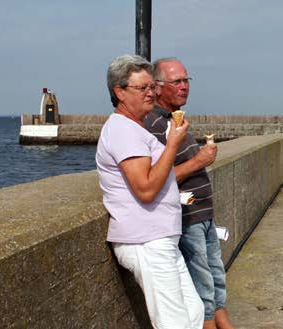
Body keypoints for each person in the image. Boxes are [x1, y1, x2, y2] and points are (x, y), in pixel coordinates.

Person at [96, 54, 204, 329]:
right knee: (175, 324)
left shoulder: (134, 128)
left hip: (159, 238)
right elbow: (145, 189)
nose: (151, 93)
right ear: (119, 92)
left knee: (193, 313)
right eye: (141, 88)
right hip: (146, 241)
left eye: (151, 87)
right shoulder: (122, 130)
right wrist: (171, 144)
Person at [143, 57, 234, 329]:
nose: (184, 87)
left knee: (216, 276)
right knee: (202, 284)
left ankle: (225, 324)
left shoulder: (175, 120)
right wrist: (199, 161)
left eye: (186, 80)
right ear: (158, 87)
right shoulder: (154, 125)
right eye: (177, 81)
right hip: (186, 217)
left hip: (203, 214)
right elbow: (156, 178)